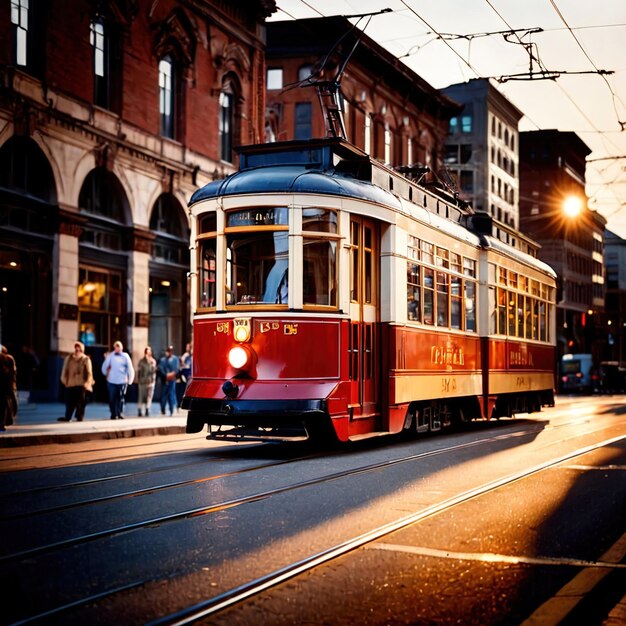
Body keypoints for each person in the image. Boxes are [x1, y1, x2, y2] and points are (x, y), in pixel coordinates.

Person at [58, 341, 94, 422]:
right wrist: (64, 380)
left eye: (79, 349)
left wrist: (87, 383)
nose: (77, 351)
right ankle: (68, 416)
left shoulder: (85, 359)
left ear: (82, 350)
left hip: (81, 384)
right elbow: (64, 370)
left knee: (80, 402)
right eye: (76, 349)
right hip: (70, 383)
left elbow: (89, 372)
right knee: (69, 402)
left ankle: (79, 417)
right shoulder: (69, 358)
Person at [101, 340, 135, 420]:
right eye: (116, 347)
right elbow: (105, 366)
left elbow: (130, 368)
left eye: (119, 347)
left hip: (122, 381)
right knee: (112, 398)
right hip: (112, 381)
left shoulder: (125, 356)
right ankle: (113, 413)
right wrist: (105, 373)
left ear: (121, 348)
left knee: (121, 398)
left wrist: (130, 380)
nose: (117, 349)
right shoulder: (111, 356)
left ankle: (119, 413)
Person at [158, 345, 179, 416]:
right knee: (163, 395)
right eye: (168, 351)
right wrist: (166, 375)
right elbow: (160, 368)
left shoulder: (175, 359)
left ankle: (171, 409)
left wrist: (171, 374)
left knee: (171, 395)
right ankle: (162, 409)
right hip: (165, 380)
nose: (169, 353)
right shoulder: (163, 360)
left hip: (172, 380)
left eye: (170, 351)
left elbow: (176, 369)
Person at [0, 345, 17, 432]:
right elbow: (12, 374)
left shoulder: (7, 359)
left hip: (4, 387)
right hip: (5, 387)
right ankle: (1, 424)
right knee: (3, 406)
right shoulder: (8, 359)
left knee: (3, 406)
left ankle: (2, 424)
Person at [137, 346, 157, 417]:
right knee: (141, 396)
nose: (148, 353)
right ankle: (140, 410)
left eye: (149, 352)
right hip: (142, 382)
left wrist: (153, 381)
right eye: (147, 352)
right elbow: (139, 372)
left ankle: (147, 409)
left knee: (149, 396)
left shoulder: (153, 361)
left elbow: (154, 372)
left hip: (150, 382)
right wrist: (139, 380)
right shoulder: (141, 361)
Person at [177, 342, 192, 406]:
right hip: (185, 375)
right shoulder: (186, 355)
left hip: (189, 375)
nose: (186, 348)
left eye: (187, 347)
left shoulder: (191, 356)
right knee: (184, 389)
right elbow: (182, 363)